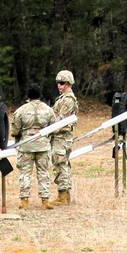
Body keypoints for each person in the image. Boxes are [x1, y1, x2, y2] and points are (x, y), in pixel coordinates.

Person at [11, 83, 57, 210]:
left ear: (28, 95)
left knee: (25, 173)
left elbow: (14, 131)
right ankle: (45, 200)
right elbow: (54, 128)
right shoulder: (48, 110)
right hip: (43, 146)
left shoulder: (21, 110)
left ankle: (24, 200)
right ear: (39, 94)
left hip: (26, 146)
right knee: (43, 172)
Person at [51, 70, 79, 205]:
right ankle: (64, 194)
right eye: (58, 83)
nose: (59, 85)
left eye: (62, 83)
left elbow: (60, 121)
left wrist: (48, 129)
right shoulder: (62, 99)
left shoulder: (68, 100)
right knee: (60, 164)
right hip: (59, 136)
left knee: (60, 164)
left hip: (62, 137)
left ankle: (63, 195)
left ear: (68, 83)